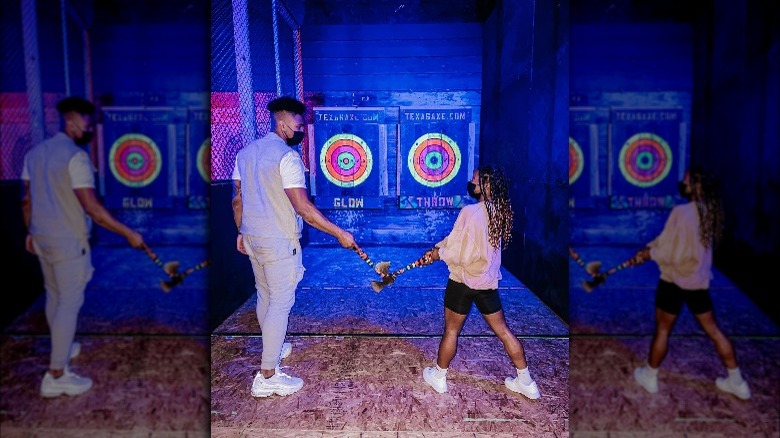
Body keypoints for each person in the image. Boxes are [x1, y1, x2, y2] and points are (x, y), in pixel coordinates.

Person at [232, 95, 359, 398]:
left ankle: (273, 346)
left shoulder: (245, 153)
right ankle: (268, 375)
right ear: (283, 120)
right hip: (278, 242)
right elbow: (303, 208)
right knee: (281, 302)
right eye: (298, 122)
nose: (301, 128)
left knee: (265, 295)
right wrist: (339, 233)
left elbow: (237, 200)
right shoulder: (286, 157)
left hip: (252, 238)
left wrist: (240, 230)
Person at [21, 96, 147, 398]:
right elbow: (92, 208)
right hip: (67, 243)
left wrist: (31, 232)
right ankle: (56, 374)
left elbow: (26, 200)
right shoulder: (75, 158)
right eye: (87, 123)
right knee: (69, 302)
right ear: (72, 121)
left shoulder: (34, 154)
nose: (89, 128)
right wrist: (129, 233)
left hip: (42, 239)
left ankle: (62, 346)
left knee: (53, 295)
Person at [419, 165, 541, 400]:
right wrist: (437, 248)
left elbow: (457, 251)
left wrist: (436, 255)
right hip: (487, 284)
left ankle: (439, 377)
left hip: (463, 283)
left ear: (485, 185)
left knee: (451, 330)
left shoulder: (470, 212)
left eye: (475, 180)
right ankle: (527, 382)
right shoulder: (501, 212)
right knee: (504, 331)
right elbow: (457, 239)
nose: (471, 183)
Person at [632, 167, 750, 400]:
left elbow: (668, 250)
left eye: (687, 180)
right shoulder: (711, 212)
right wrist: (650, 248)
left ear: (697, 185)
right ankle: (737, 381)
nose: (682, 182)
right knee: (714, 331)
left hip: (674, 281)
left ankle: (650, 376)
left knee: (663, 330)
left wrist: (648, 254)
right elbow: (668, 241)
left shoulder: (682, 211)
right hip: (698, 282)